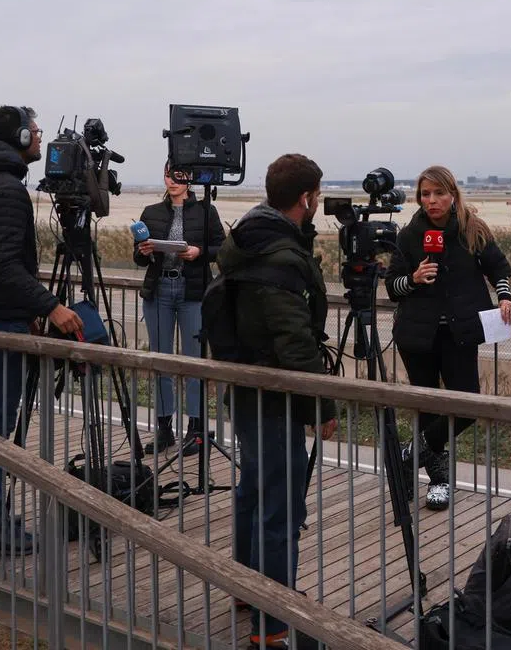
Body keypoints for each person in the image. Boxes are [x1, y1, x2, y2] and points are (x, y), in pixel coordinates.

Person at [216, 153, 337, 650]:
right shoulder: (281, 259)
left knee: (254, 487)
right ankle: (274, 621)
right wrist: (322, 408)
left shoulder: (247, 239)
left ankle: (249, 587)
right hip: (276, 395)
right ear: (307, 199)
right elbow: (295, 343)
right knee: (280, 505)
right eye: (317, 196)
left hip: (246, 386)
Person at [0, 105, 82, 554]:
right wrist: (51, 306)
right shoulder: (9, 191)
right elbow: (2, 266)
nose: (40, 139)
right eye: (35, 132)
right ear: (17, 138)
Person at [385, 165, 511, 511]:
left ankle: (410, 454)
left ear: (453, 195)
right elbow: (392, 287)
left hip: (460, 333)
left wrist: (504, 296)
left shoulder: (472, 229)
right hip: (417, 333)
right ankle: (439, 481)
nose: (432, 201)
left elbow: (498, 268)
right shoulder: (411, 234)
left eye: (438, 193)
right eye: (425, 194)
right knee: (428, 408)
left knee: (467, 405)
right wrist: (413, 278)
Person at [134, 161, 225, 456]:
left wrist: (199, 253)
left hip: (193, 292)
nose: (172, 181)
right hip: (159, 289)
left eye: (178, 175)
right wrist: (143, 251)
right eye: (168, 174)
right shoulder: (151, 212)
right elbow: (139, 259)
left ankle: (195, 431)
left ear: (190, 178)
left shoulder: (206, 211)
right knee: (161, 361)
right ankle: (164, 430)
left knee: (193, 363)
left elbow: (222, 249)